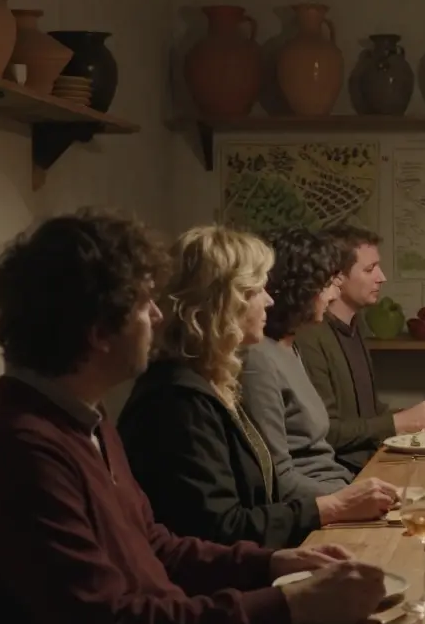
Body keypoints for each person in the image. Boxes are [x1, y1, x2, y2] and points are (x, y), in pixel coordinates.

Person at [0, 213, 386, 624]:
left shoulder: (84, 419)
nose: (160, 316)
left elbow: (157, 546)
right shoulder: (18, 451)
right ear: (99, 329)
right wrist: (288, 606)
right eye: (145, 303)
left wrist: (270, 564)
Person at [119, 226, 396, 548]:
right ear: (223, 302)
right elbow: (219, 530)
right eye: (256, 289)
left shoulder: (208, 380)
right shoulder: (178, 400)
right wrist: (332, 507)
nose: (269, 299)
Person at [239, 225, 398, 522]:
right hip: (318, 511)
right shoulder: (259, 359)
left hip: (338, 489)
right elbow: (278, 480)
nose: (335, 291)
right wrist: (347, 499)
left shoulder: (291, 346)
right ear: (301, 290)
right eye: (328, 283)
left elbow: (318, 457)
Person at [296, 225, 425, 472]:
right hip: (341, 474)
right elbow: (326, 433)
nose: (382, 277)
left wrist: (416, 419)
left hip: (371, 463)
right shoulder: (311, 336)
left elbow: (368, 413)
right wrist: (398, 422)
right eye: (369, 269)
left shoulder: (355, 326)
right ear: (337, 277)